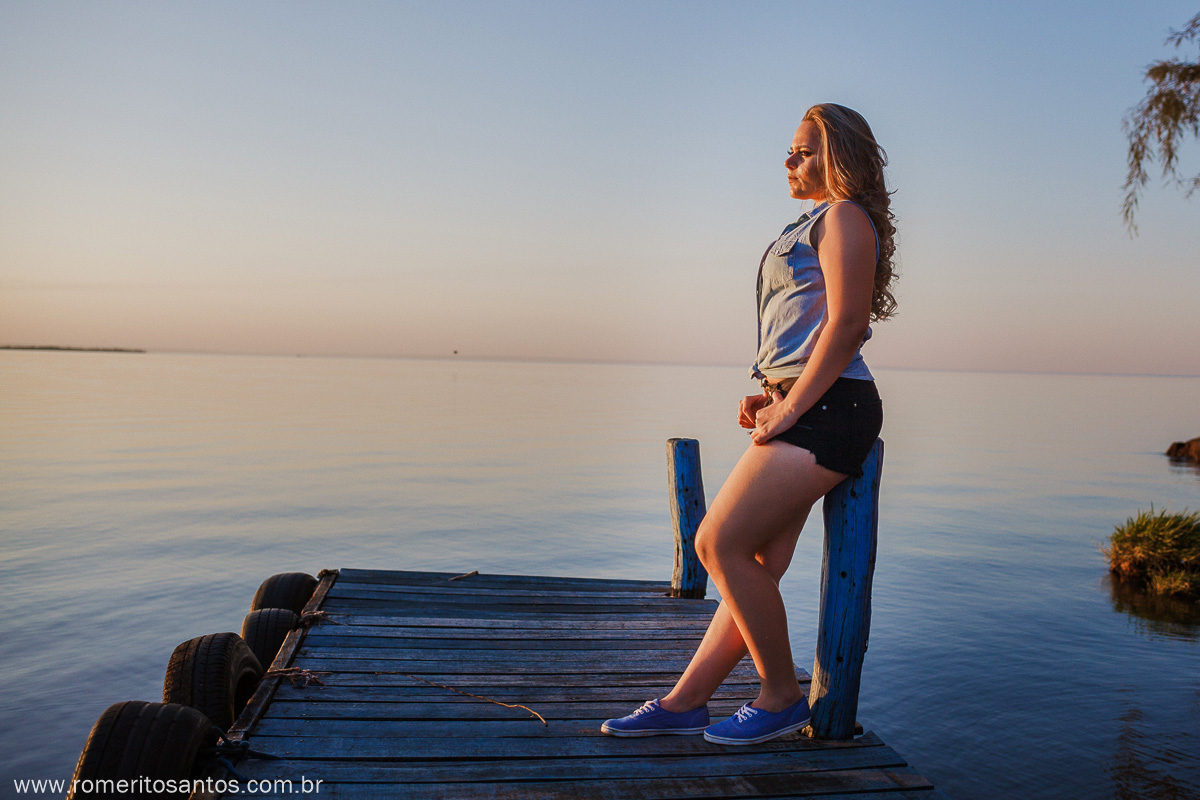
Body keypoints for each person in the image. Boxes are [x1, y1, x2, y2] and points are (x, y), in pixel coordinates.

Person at [601, 103, 897, 745]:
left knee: (716, 543)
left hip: (833, 408)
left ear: (839, 157)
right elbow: (802, 329)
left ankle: (781, 695)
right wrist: (771, 392)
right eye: (790, 150)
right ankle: (686, 702)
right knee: (756, 562)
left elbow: (848, 325)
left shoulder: (845, 217)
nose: (789, 160)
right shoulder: (810, 222)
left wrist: (791, 405)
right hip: (806, 401)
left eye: (805, 151)